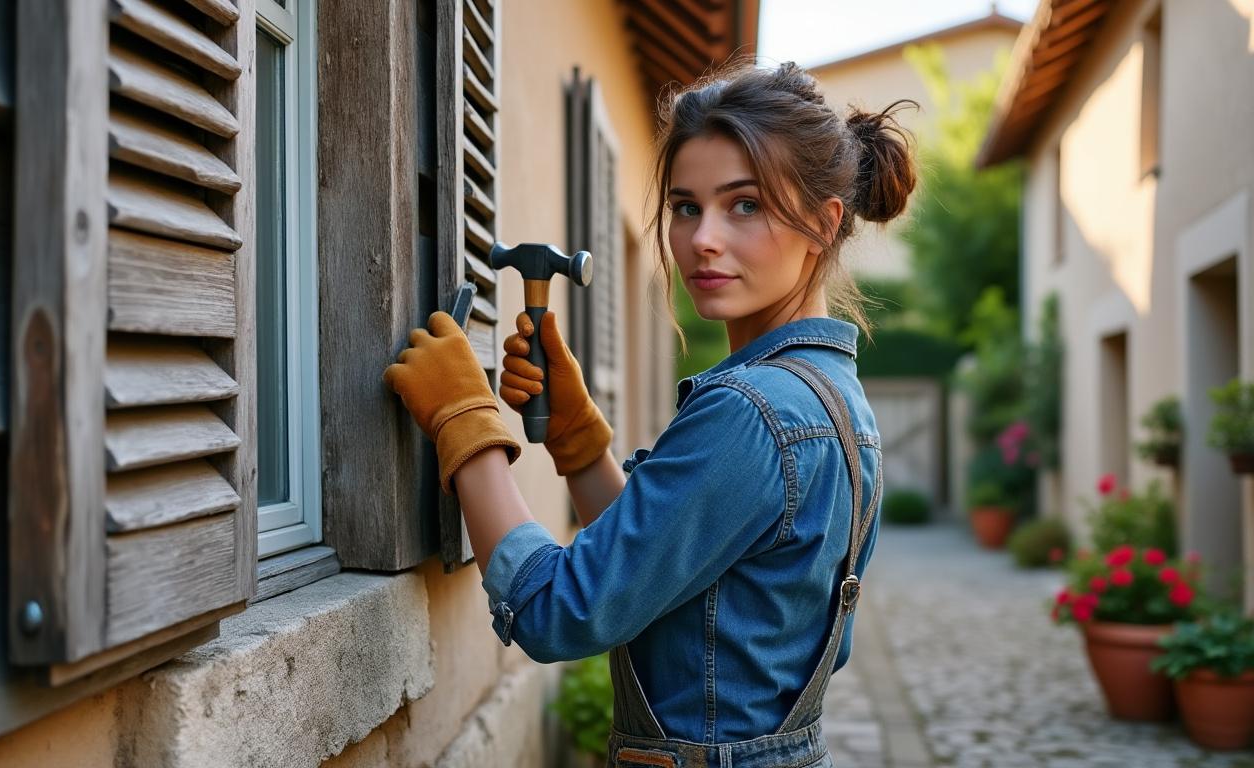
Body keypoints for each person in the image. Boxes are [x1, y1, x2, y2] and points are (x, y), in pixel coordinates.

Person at [383, 60, 916, 767]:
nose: (703, 240)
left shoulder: (753, 412)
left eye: (745, 205)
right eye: (686, 206)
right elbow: (658, 569)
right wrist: (575, 438)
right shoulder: (831, 397)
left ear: (823, 224)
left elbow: (559, 611)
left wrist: (463, 421)